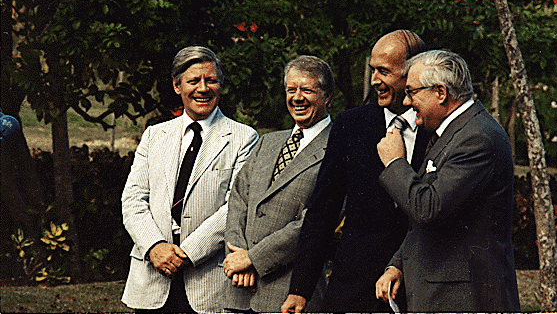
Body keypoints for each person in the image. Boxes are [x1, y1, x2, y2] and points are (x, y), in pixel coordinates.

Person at [282, 30, 432, 313]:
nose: (375, 80)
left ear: (413, 72)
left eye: (384, 71)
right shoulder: (351, 125)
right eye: (372, 70)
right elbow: (322, 210)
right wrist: (300, 289)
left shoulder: (436, 127)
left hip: (420, 287)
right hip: (354, 288)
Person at [375, 50, 520, 312]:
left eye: (412, 92)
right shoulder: (453, 132)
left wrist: (395, 163)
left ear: (441, 92)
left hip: (464, 300)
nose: (407, 102)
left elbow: (428, 208)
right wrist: (398, 263)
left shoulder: (476, 138)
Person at [121, 46, 259, 312]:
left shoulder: (244, 138)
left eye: (211, 80)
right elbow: (133, 199)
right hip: (152, 276)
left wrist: (186, 254)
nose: (203, 88)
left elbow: (235, 207)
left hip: (209, 280)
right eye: (193, 81)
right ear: (177, 86)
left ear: (221, 85)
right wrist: (154, 246)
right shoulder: (154, 135)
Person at [223, 55, 334, 313]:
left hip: (289, 294)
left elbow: (316, 221)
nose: (297, 97)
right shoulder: (268, 142)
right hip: (240, 289)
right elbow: (238, 198)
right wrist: (238, 252)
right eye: (291, 90)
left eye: (307, 90)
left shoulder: (339, 148)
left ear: (327, 97)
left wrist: (253, 259)